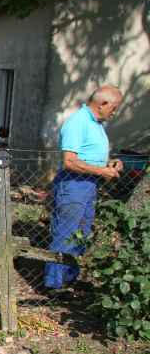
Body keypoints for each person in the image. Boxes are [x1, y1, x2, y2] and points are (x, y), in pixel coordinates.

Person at [43, 85, 124, 289]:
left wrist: (109, 164)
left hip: (88, 184)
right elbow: (70, 161)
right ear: (102, 103)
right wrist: (101, 172)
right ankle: (54, 285)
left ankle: (69, 279)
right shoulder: (78, 123)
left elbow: (88, 156)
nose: (114, 113)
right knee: (65, 233)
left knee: (81, 233)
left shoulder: (96, 124)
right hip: (74, 184)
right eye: (113, 108)